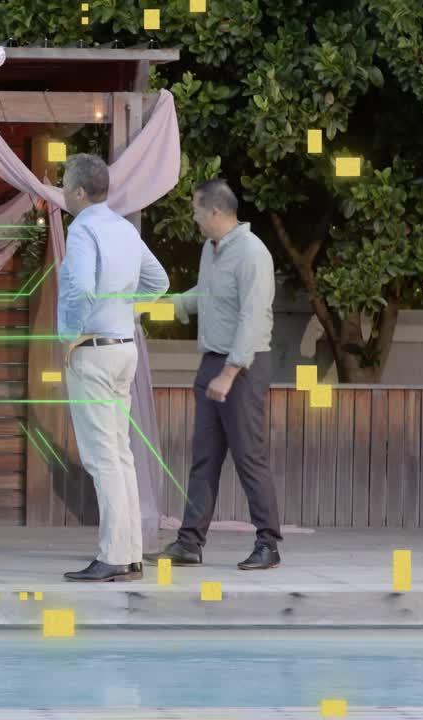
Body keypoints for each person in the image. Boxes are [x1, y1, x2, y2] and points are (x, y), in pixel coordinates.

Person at [56, 154, 170, 582]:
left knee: (103, 458)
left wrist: (70, 334)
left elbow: (82, 288)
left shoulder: (83, 229)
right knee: (119, 455)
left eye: (66, 184)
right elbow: (158, 281)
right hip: (124, 348)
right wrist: (126, 311)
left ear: (81, 192)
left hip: (95, 352)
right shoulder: (123, 227)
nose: (64, 191)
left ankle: (112, 556)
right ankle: (130, 553)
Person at [159, 179, 283, 571]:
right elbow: (204, 295)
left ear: (214, 211)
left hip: (242, 368)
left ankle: (269, 544)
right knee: (204, 457)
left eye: (196, 209)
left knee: (249, 456)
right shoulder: (210, 251)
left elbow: (253, 318)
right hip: (211, 362)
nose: (193, 217)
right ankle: (189, 542)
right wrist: (158, 308)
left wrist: (229, 374)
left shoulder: (252, 254)